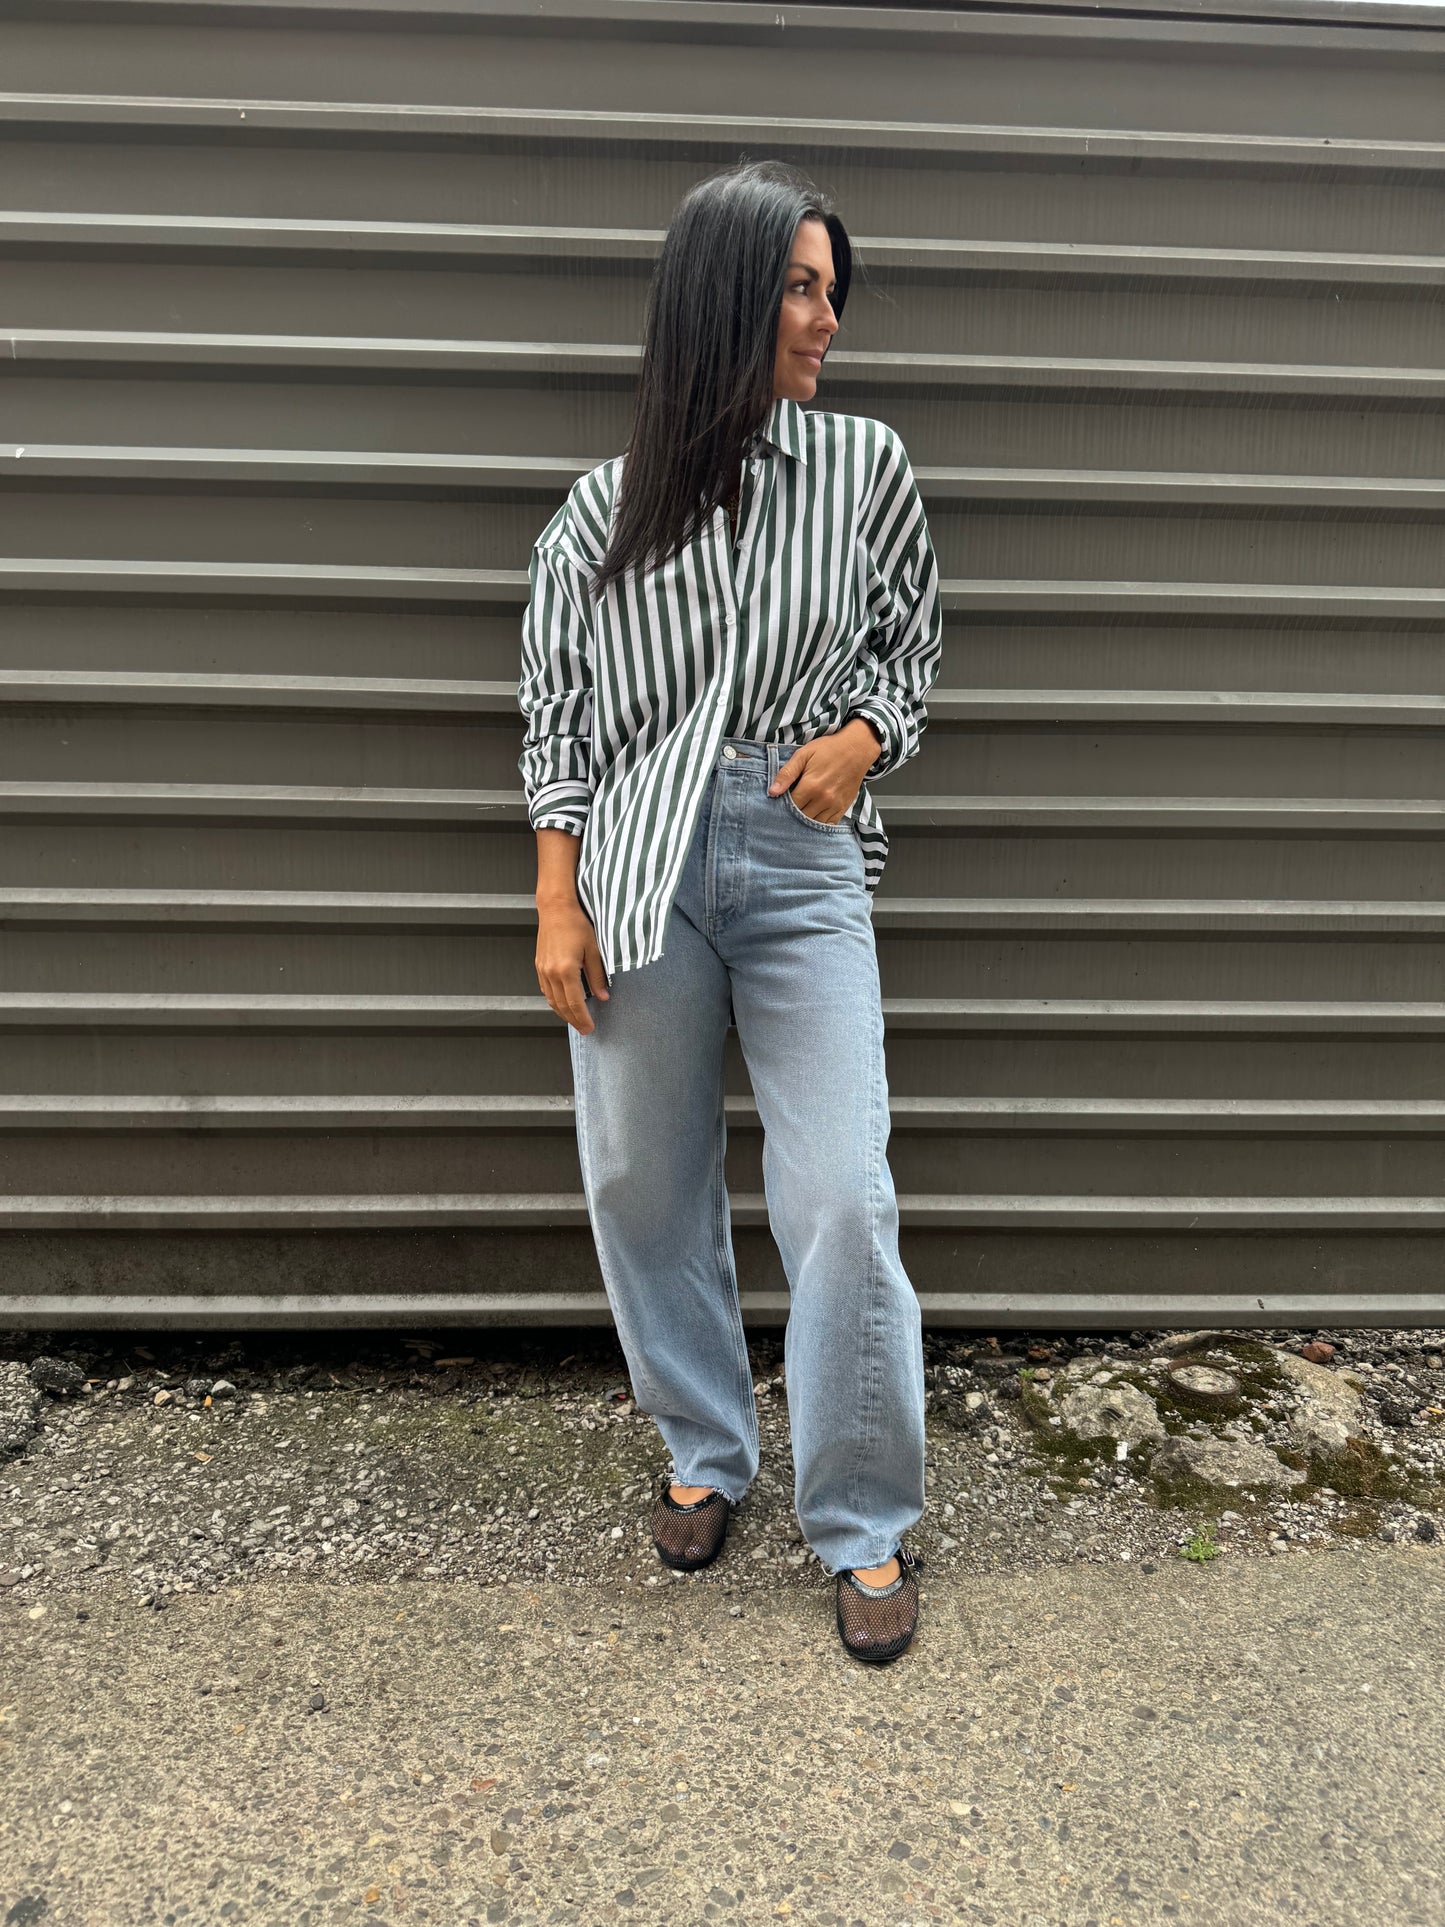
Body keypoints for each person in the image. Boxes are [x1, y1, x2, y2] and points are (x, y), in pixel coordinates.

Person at [517, 158, 943, 1664]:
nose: (828, 317)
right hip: (636, 859)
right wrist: (555, 897)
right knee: (642, 1179)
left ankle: (864, 1517)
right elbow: (556, 719)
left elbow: (910, 650)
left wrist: (861, 741)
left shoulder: (864, 468)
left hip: (799, 851)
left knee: (840, 1194)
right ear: (723, 294)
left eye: (836, 290)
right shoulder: (595, 511)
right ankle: (705, 1444)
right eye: (802, 287)